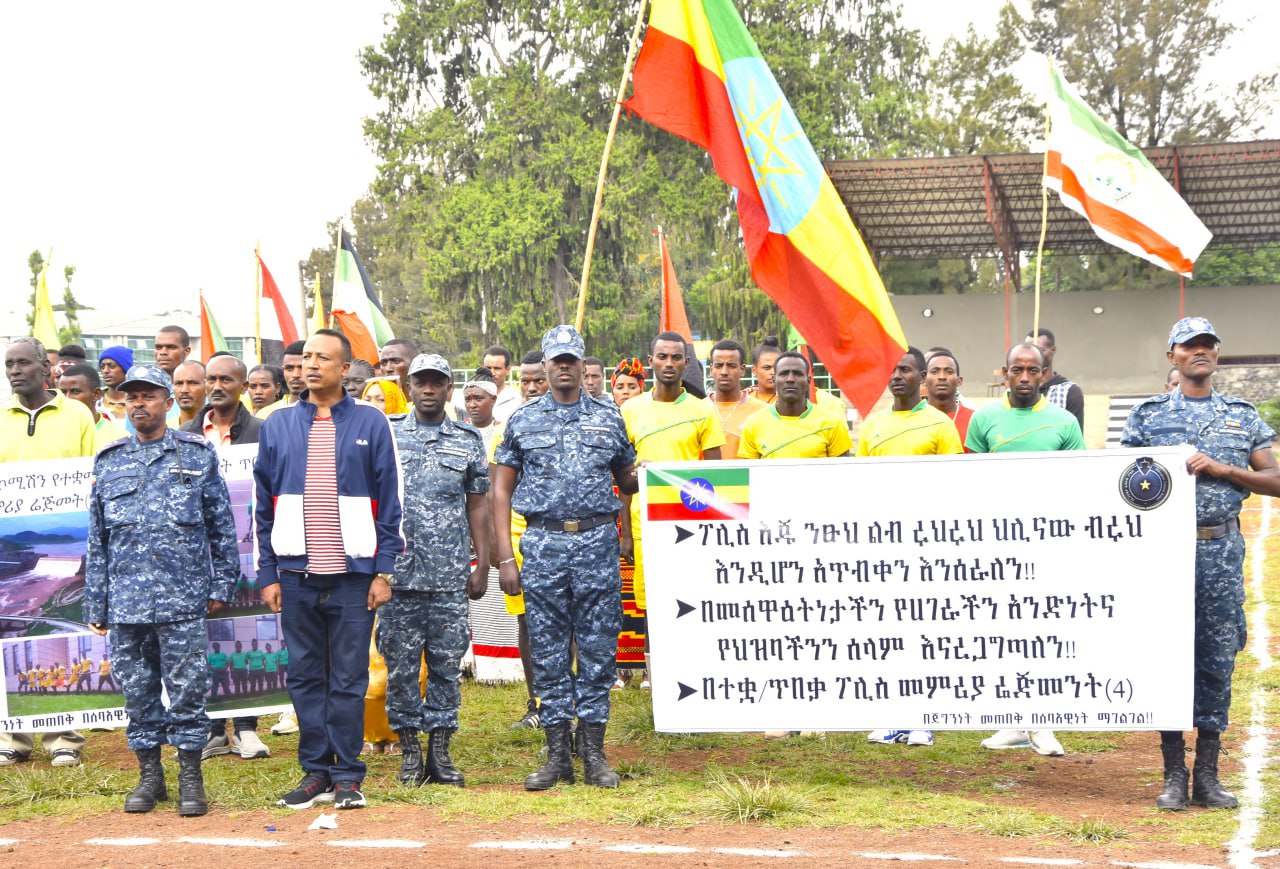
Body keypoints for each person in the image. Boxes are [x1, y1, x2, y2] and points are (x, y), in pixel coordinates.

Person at [1123, 317, 1280, 811]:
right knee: (1169, 654)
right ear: (1172, 356)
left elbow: (1275, 478)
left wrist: (1224, 469)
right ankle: (1173, 773)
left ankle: (1208, 776)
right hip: (1164, 552)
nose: (1200, 352)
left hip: (1219, 550)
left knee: (1216, 657)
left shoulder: (1242, 415)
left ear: (1217, 354)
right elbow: (1121, 482)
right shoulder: (1148, 416)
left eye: (1208, 345)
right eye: (1189, 345)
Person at [254, 328, 404, 810]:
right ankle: (314, 772)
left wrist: (383, 570)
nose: (310, 366)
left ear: (345, 369)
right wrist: (269, 572)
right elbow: (264, 505)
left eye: (323, 358)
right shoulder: (277, 425)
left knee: (348, 676)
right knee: (303, 675)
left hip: (354, 577)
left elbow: (389, 503)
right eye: (304, 359)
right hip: (295, 577)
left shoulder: (371, 422)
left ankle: (347, 776)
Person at [84, 362, 238, 815]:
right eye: (131, 396)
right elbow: (99, 541)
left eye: (148, 395)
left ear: (168, 403)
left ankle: (191, 776)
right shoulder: (109, 462)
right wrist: (97, 601)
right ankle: (151, 777)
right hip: (127, 604)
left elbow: (221, 525)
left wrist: (221, 583)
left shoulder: (196, 454)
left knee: (188, 691)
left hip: (183, 599)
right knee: (139, 694)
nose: (138, 403)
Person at [493, 325, 638, 789]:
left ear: (581, 364)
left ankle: (593, 753)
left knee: (598, 651)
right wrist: (505, 558)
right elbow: (500, 489)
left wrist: (657, 473)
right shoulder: (522, 420)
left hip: (597, 543)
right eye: (556, 360)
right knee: (550, 652)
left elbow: (627, 478)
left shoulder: (610, 416)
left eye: (570, 360)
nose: (563, 367)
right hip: (543, 545)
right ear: (546, 365)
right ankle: (558, 755)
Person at [967, 342, 1084, 758]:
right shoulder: (983, 420)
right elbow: (969, 481)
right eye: (1016, 370)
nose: (1024, 378)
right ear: (1004, 372)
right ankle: (1012, 721)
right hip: (997, 541)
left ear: (1044, 373)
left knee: (1044, 633)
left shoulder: (1065, 422)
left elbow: (1078, 482)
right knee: (1004, 632)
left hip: (1048, 540)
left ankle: (1044, 723)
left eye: (1032, 371)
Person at [382, 353, 491, 787]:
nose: (428, 390)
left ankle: (440, 754)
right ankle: (410, 752)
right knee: (401, 667)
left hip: (448, 576)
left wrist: (481, 563)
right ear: (409, 387)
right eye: (421, 382)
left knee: (446, 665)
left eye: (437, 383)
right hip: (398, 576)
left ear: (449, 389)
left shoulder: (467, 440)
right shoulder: (387, 435)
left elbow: (477, 505)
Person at [857, 348, 961, 747]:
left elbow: (952, 484)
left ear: (921, 378)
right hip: (882, 544)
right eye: (892, 370)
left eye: (905, 370)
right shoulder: (873, 425)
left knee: (923, 633)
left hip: (927, 543)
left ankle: (923, 718)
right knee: (886, 633)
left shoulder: (939, 425)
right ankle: (888, 715)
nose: (897, 376)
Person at [0, 338, 95, 769]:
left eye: (23, 363)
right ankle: (12, 737)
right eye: (8, 365)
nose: (14, 371)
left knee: (62, 634)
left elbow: (90, 472)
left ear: (46, 367)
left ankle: (64, 737)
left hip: (70, 543)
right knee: (7, 638)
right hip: (9, 538)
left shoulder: (76, 414)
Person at [621, 332, 725, 687]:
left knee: (691, 597)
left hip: (689, 522)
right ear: (650, 361)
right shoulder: (630, 410)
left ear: (686, 364)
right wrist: (623, 530)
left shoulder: (702, 411)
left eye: (676, 358)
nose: (669, 363)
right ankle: (657, 678)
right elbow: (621, 478)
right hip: (642, 522)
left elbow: (715, 474)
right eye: (662, 356)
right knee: (651, 600)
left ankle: (693, 672)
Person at [504, 350, 551, 729]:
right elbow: (495, 491)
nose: (533, 388)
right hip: (520, 540)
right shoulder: (512, 426)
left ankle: (562, 701)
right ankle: (536, 703)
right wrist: (500, 553)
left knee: (564, 623)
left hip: (560, 541)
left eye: (540, 379)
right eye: (527, 381)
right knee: (526, 623)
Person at [739, 351, 852, 460]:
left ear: (808, 381)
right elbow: (749, 475)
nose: (790, 379)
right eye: (784, 374)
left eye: (797, 374)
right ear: (774, 379)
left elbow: (843, 473)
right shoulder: (754, 424)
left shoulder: (832, 423)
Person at [182, 354, 263, 447]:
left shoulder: (262, 430)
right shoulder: (185, 433)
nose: (217, 387)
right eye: (211, 380)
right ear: (205, 384)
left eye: (225, 380)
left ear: (244, 386)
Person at [707, 339, 767, 459]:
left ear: (742, 370)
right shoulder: (697, 410)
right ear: (711, 370)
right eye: (719, 366)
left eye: (731, 366)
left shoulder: (763, 411)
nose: (724, 372)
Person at [58, 363, 128, 451]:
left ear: (96, 394)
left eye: (75, 391)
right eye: (63, 392)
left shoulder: (118, 439)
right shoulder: (50, 431)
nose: (67, 398)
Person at [1028, 327, 1085, 432]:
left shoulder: (1070, 392)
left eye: (1040, 350)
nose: (1033, 355)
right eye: (1029, 350)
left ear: (1053, 350)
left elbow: (1075, 439)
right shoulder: (1018, 389)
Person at [923, 348, 975, 446]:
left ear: (959, 381)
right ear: (924, 379)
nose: (942, 377)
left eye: (949, 371)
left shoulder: (975, 419)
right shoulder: (913, 419)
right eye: (935, 371)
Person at [255, 340, 307, 419]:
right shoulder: (266, 415)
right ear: (283, 371)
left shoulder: (327, 413)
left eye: (302, 368)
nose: (295, 375)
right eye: (289, 368)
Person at [482, 345, 522, 423]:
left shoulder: (517, 401)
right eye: (488, 368)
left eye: (497, 368)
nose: (492, 372)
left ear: (507, 370)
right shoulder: (471, 399)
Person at [98, 345, 135, 420]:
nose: (105, 371)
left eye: (111, 366)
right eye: (102, 367)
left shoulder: (138, 402)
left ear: (125, 369)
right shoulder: (95, 399)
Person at [746, 336, 782, 404]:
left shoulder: (789, 401)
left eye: (777, 367)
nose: (773, 372)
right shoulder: (742, 400)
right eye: (767, 368)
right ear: (754, 370)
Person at [172, 360, 206, 427]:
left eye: (192, 383)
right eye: (179, 383)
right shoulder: (163, 429)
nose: (184, 390)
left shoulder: (220, 429)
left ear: (207, 386)